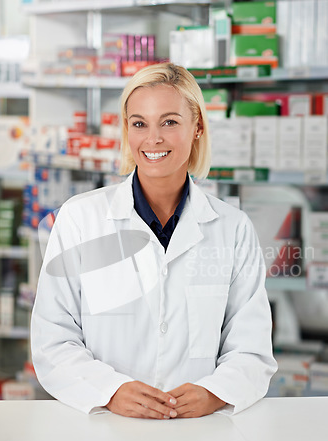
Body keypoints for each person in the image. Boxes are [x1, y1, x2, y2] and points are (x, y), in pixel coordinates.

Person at [31, 62, 277, 419]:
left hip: (199, 433)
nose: (153, 138)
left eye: (170, 122)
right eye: (139, 123)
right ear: (127, 130)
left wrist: (214, 392)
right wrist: (110, 390)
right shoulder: (80, 219)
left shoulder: (232, 228)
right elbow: (53, 339)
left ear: (197, 128)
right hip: (107, 431)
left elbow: (251, 348)